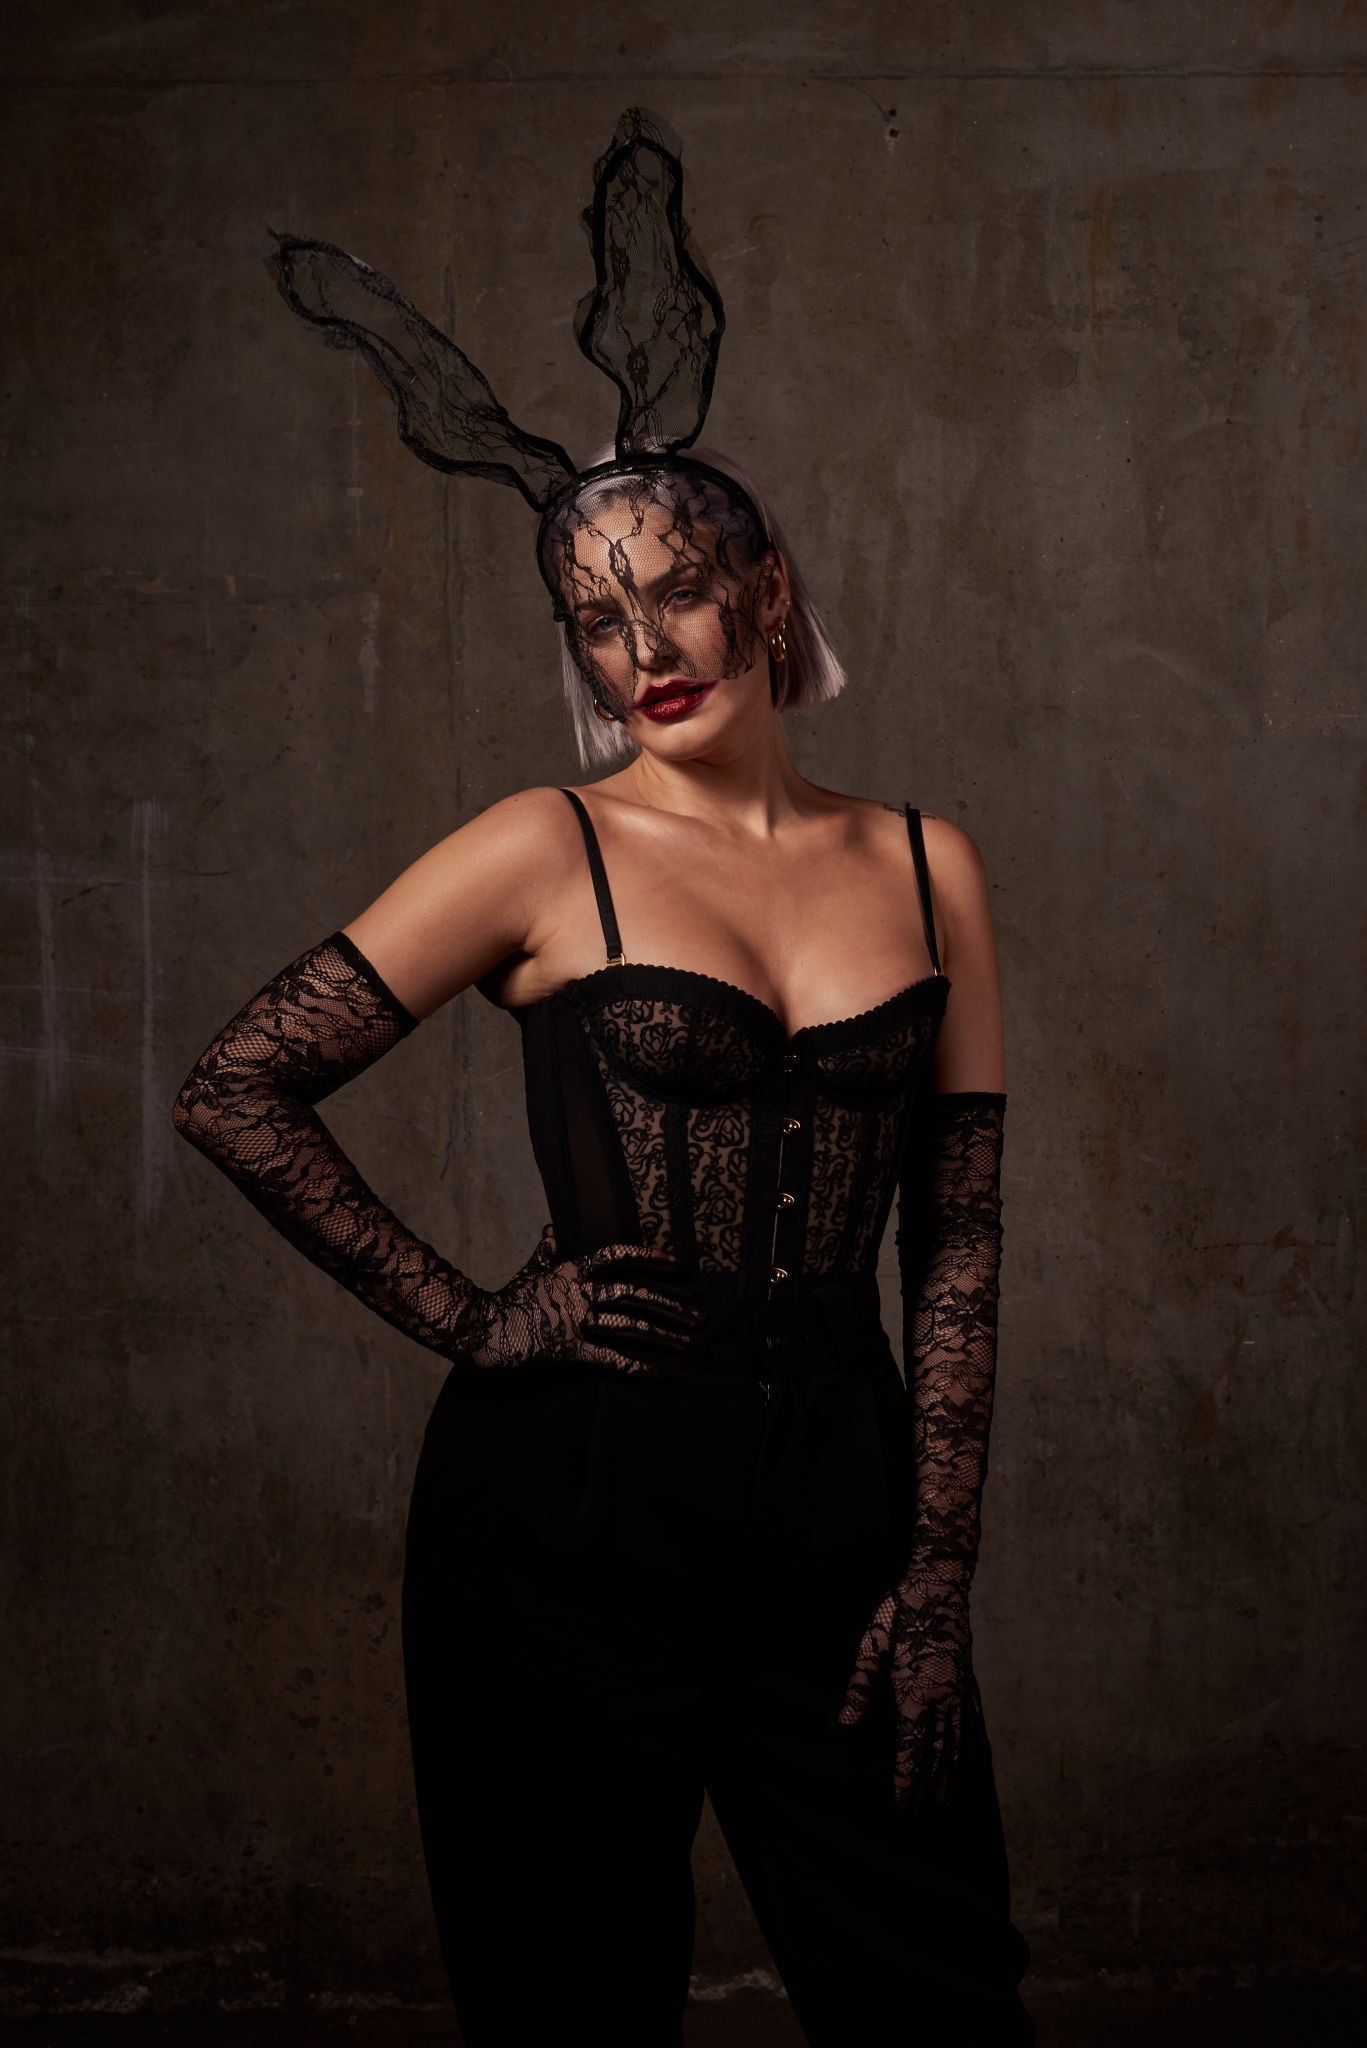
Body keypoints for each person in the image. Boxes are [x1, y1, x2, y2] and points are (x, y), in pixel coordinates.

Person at [172, 112, 1034, 2045]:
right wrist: (478, 1318)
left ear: (767, 587)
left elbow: (959, 1250)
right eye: (595, 617)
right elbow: (235, 1085)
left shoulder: (928, 866)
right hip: (566, 1502)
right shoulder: (536, 850)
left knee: (938, 1997)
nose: (643, 648)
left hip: (838, 1494)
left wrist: (936, 1567)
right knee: (569, 2007)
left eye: (678, 591)